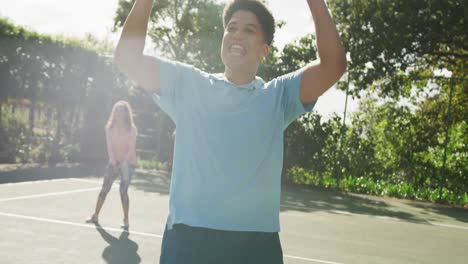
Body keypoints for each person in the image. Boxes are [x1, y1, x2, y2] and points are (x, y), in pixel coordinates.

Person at [115, 0, 346, 263]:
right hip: (188, 239)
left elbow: (333, 65)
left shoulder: (278, 95)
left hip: (255, 244)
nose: (237, 34)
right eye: (232, 27)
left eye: (249, 30)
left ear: (264, 50)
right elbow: (127, 58)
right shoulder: (188, 83)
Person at [86, 100, 137, 229]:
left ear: (126, 114)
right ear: (114, 113)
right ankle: (95, 216)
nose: (119, 114)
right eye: (117, 111)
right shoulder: (109, 127)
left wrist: (123, 163)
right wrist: (113, 162)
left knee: (123, 191)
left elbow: (131, 149)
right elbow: (109, 146)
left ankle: (126, 220)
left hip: (128, 163)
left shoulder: (132, 129)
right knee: (104, 189)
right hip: (113, 162)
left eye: (122, 112)